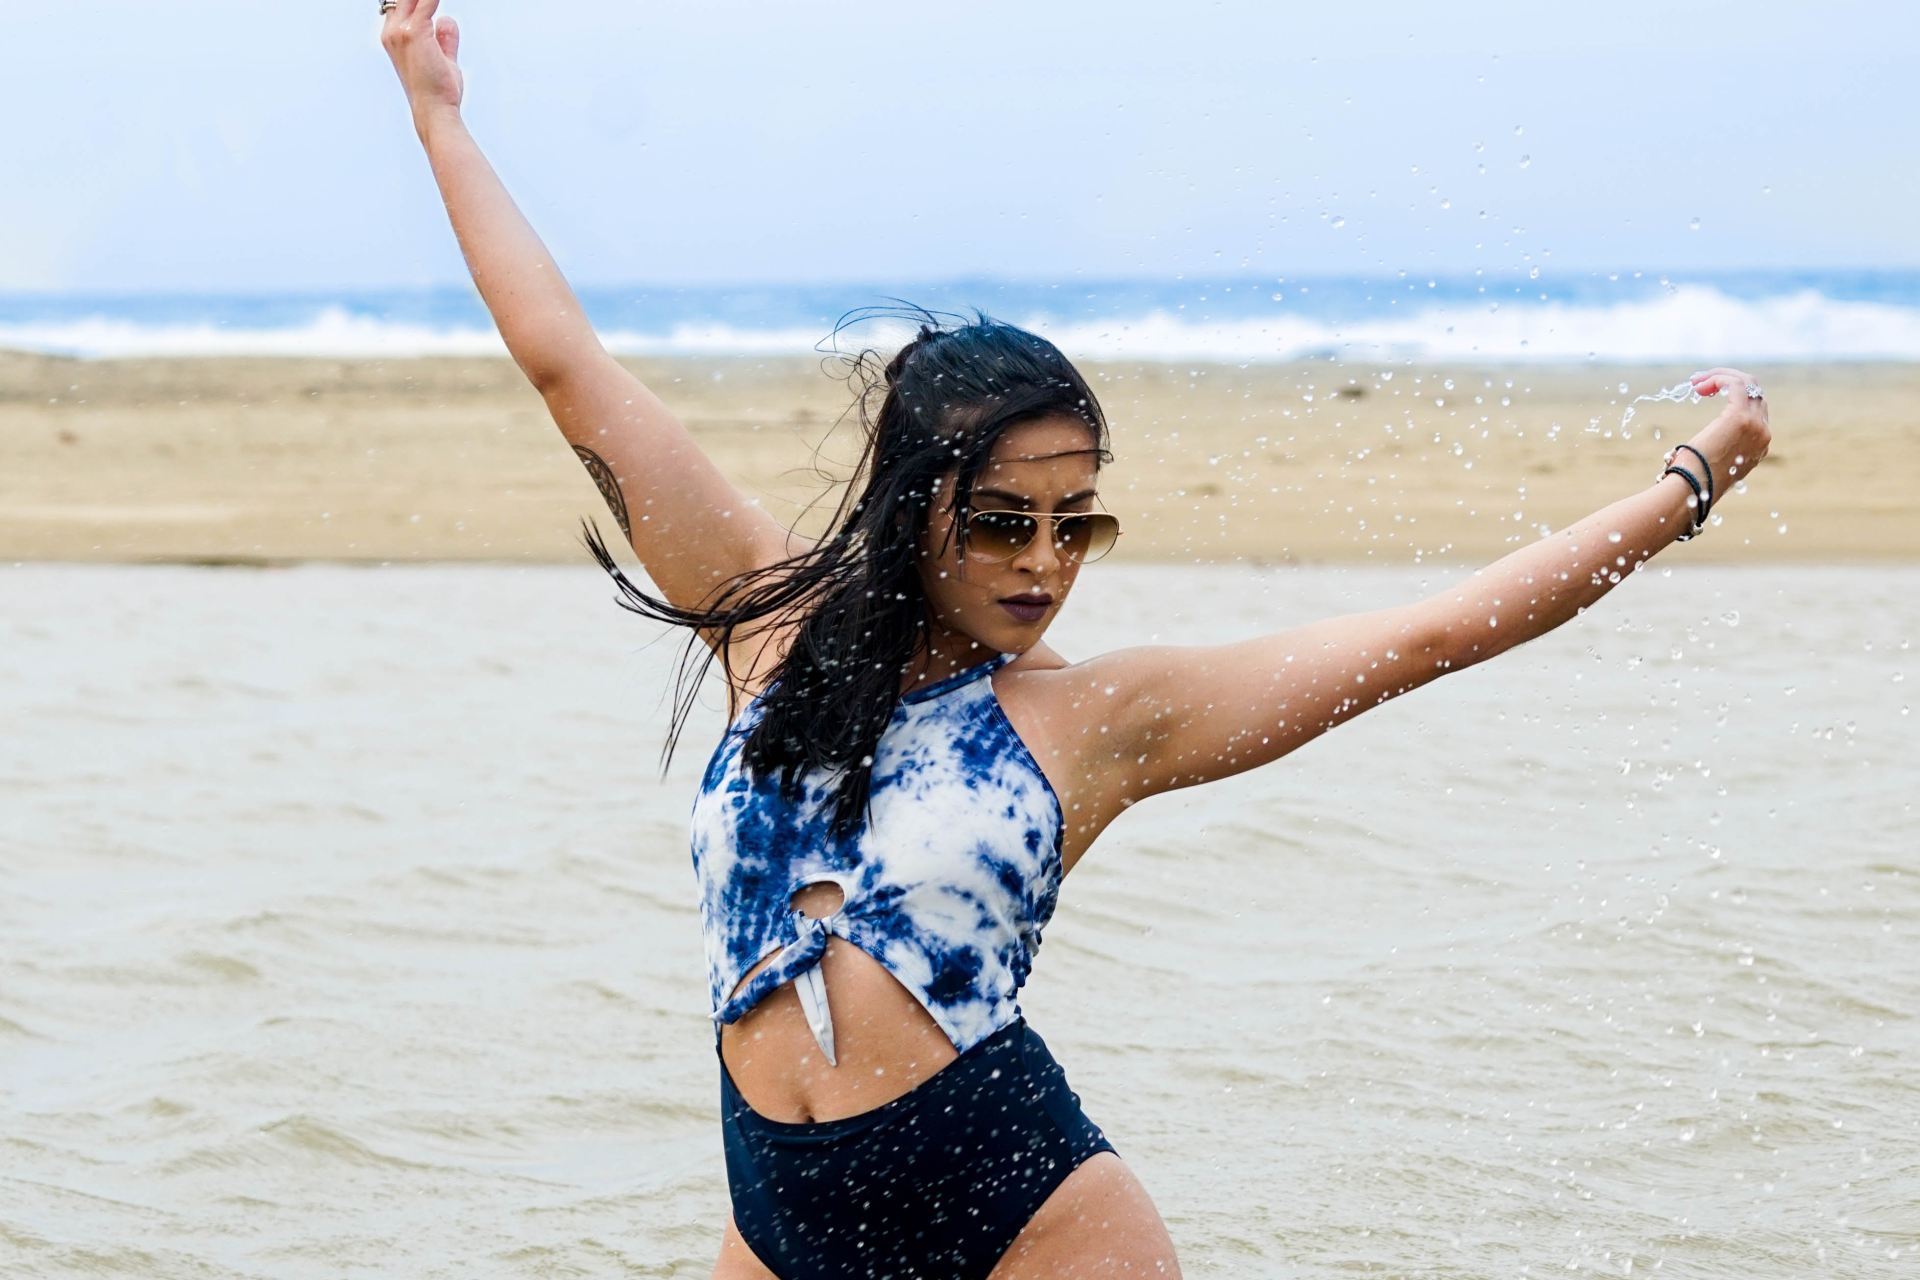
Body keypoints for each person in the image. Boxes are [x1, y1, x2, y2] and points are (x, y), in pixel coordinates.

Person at [379, 4, 1774, 1275]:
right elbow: (565, 359)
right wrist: (436, 111)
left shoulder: (1098, 716)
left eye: (1075, 524)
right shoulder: (765, 613)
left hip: (1022, 1205)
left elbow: (1430, 636)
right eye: (1000, 522)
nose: (1043, 564)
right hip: (779, 1210)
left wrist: (1686, 485)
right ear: (915, 502)